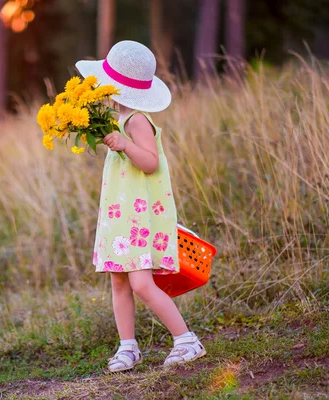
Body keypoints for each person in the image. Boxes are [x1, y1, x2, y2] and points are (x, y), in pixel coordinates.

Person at [75, 41, 206, 372]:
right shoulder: (118, 118)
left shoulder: (136, 121)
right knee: (118, 281)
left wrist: (123, 144)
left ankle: (187, 340)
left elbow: (149, 162)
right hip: (121, 214)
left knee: (142, 284)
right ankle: (128, 347)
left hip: (138, 215)